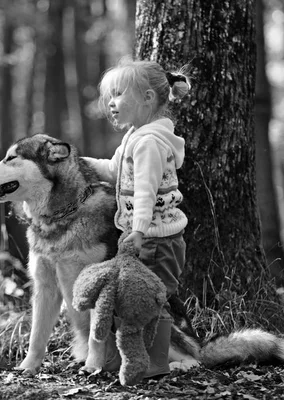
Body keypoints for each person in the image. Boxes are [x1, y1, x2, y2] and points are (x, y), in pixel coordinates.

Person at [83, 58, 191, 379]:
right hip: (142, 237)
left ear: (147, 98)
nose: (112, 103)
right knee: (132, 299)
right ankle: (129, 358)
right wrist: (80, 163)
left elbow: (146, 191)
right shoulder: (135, 136)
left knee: (153, 301)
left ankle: (156, 363)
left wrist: (140, 231)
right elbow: (114, 171)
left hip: (157, 239)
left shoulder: (149, 143)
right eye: (110, 96)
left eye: (119, 94)